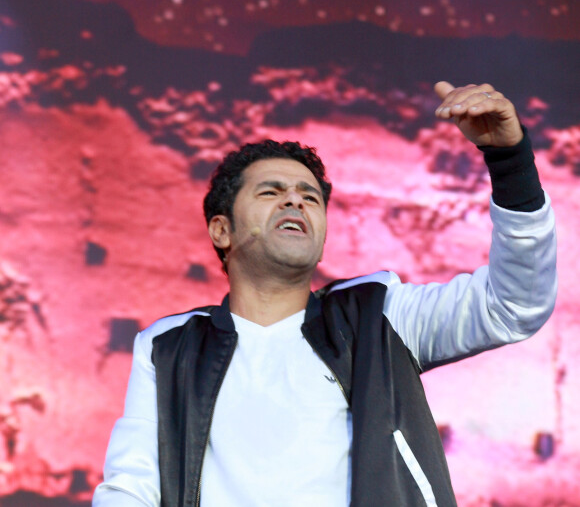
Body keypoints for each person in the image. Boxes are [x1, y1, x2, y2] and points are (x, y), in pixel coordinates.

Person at [93, 82, 557, 507]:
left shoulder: (380, 315)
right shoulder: (168, 346)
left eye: (310, 197)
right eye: (271, 192)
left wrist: (510, 161)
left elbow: (513, 304)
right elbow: (130, 487)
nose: (295, 201)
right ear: (221, 230)